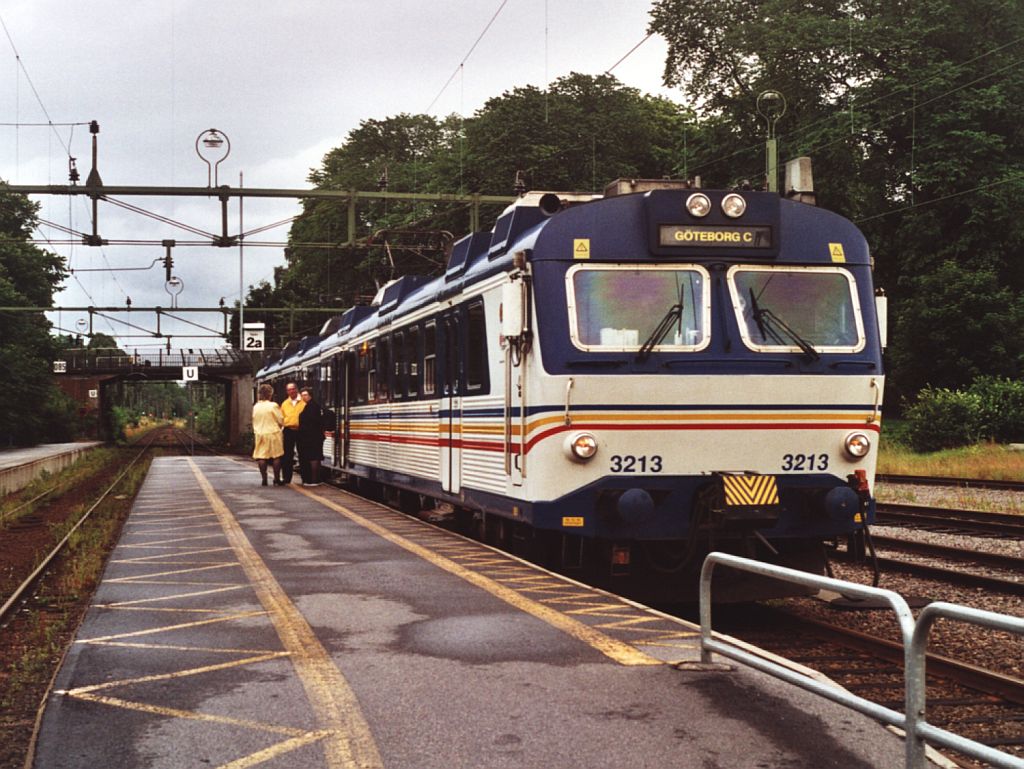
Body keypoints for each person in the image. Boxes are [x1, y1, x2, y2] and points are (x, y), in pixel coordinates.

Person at [252, 383, 284, 486]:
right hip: (273, 433)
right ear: (270, 394)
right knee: (276, 456)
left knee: (262, 457)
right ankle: (276, 479)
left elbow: (253, 419)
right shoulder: (273, 405)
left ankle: (264, 478)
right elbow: (280, 420)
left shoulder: (256, 406)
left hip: (260, 434)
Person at [297, 387, 325, 485]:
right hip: (314, 436)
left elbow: (310, 422)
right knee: (314, 457)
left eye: (305, 395)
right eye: (302, 395)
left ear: (310, 395)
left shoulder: (311, 406)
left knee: (313, 457)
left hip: (311, 437)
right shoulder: (311, 405)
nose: (304, 397)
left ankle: (313, 480)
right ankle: (316, 479)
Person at [279, 381, 305, 484]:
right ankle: (286, 478)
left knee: (303, 454)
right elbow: (281, 417)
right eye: (289, 390)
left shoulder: (303, 401)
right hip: (288, 430)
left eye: (293, 389)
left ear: (296, 389)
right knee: (287, 455)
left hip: (301, 430)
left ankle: (305, 477)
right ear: (287, 392)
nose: (291, 391)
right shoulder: (285, 403)